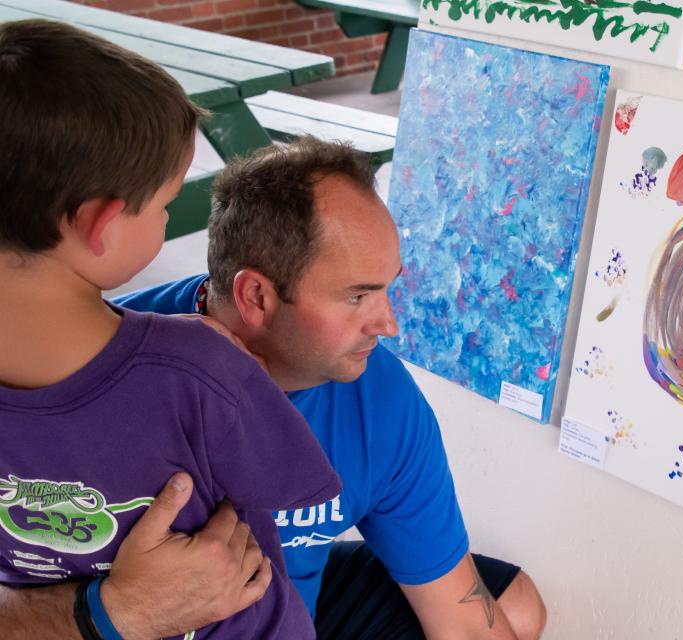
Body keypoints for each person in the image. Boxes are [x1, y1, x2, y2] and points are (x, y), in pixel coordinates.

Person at [115, 136, 548, 639]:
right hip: (141, 617)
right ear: (255, 295)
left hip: (286, 606)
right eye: (358, 295)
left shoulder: (380, 398)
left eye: (387, 287)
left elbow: (464, 621)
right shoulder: (105, 360)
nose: (388, 324)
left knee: (509, 606)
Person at [0, 20, 340, 639]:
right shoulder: (204, 367)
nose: (164, 218)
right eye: (163, 205)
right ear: (100, 223)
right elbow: (295, 493)